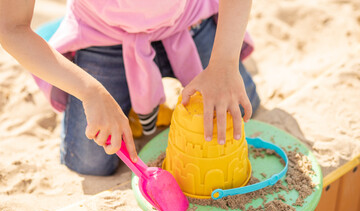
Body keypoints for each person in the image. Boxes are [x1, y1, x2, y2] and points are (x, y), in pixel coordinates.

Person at [0, 0, 260, 176]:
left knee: (241, 108)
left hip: (188, 19)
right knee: (91, 164)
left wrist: (224, 63)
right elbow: (10, 27)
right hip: (102, 33)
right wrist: (90, 91)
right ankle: (60, 35)